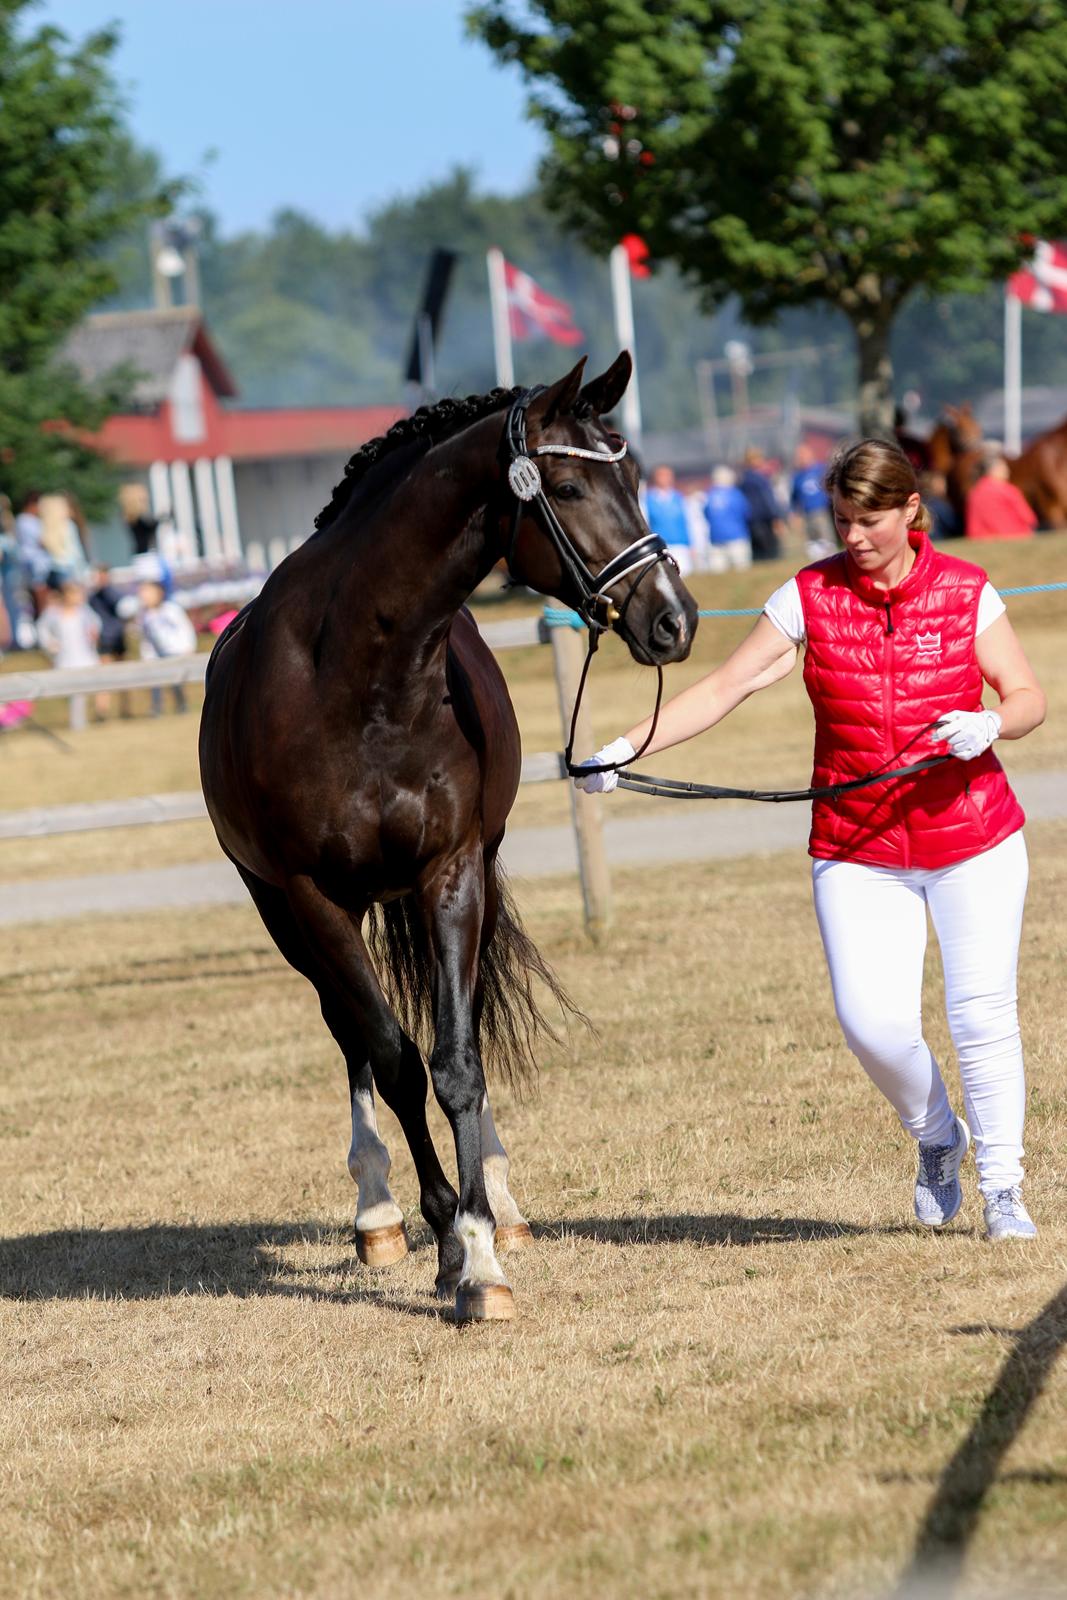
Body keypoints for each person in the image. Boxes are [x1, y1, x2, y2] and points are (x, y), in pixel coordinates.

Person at [577, 437, 1046, 1241]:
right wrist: (625, 747)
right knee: (870, 1023)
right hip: (855, 846)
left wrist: (990, 722)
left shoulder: (968, 591)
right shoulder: (808, 595)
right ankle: (937, 1134)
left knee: (981, 1017)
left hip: (972, 836)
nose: (853, 537)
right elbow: (728, 684)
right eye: (840, 520)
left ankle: (1003, 1187)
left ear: (910, 511)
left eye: (869, 520)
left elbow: (1028, 694)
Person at [37, 576, 100, 730]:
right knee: (73, 692)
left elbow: (96, 624)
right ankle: (78, 723)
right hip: (66, 657)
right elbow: (42, 629)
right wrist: (50, 644)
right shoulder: (53, 613)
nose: (79, 598)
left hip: (84, 655)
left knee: (81, 692)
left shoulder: (84, 612)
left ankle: (81, 722)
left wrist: (94, 634)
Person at [138, 578, 196, 714]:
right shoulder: (145, 615)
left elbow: (185, 628)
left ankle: (182, 706)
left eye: (148, 592)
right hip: (157, 654)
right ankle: (157, 708)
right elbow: (146, 637)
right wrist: (146, 654)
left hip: (176, 651)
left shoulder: (171, 610)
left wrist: (188, 647)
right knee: (155, 683)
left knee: (176, 683)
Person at [966, 454, 1037, 541]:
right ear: (994, 470)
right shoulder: (1007, 490)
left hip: (981, 538)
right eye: (1004, 468)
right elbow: (1029, 518)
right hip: (1015, 534)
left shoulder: (974, 492)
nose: (1008, 470)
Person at [644, 465, 695, 574]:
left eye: (668, 475)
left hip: (681, 546)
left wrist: (692, 545)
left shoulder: (679, 498)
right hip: (660, 547)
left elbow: (690, 522)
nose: (666, 478)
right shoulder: (647, 499)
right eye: (662, 475)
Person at [738, 446, 785, 561]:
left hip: (751, 522)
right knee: (771, 553)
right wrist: (776, 517)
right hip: (764, 521)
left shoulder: (742, 480)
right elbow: (767, 499)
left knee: (759, 555)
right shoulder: (759, 479)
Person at [703, 465, 752, 573]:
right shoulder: (735, 494)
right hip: (736, 536)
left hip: (716, 538)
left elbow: (706, 514)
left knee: (718, 572)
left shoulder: (709, 495)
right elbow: (746, 513)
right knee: (742, 569)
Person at [791, 444, 836, 558]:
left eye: (804, 455)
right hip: (807, 514)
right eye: (799, 457)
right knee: (813, 543)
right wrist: (795, 514)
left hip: (821, 511)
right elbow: (794, 497)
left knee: (826, 540)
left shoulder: (820, 469)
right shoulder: (798, 476)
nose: (801, 459)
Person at [119, 482, 160, 558]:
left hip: (142, 552)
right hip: (144, 553)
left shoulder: (132, 517)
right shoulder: (136, 518)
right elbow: (149, 527)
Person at [919, 469, 961, 541]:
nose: (944, 487)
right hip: (938, 539)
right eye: (941, 484)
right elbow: (952, 524)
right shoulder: (939, 504)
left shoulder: (922, 502)